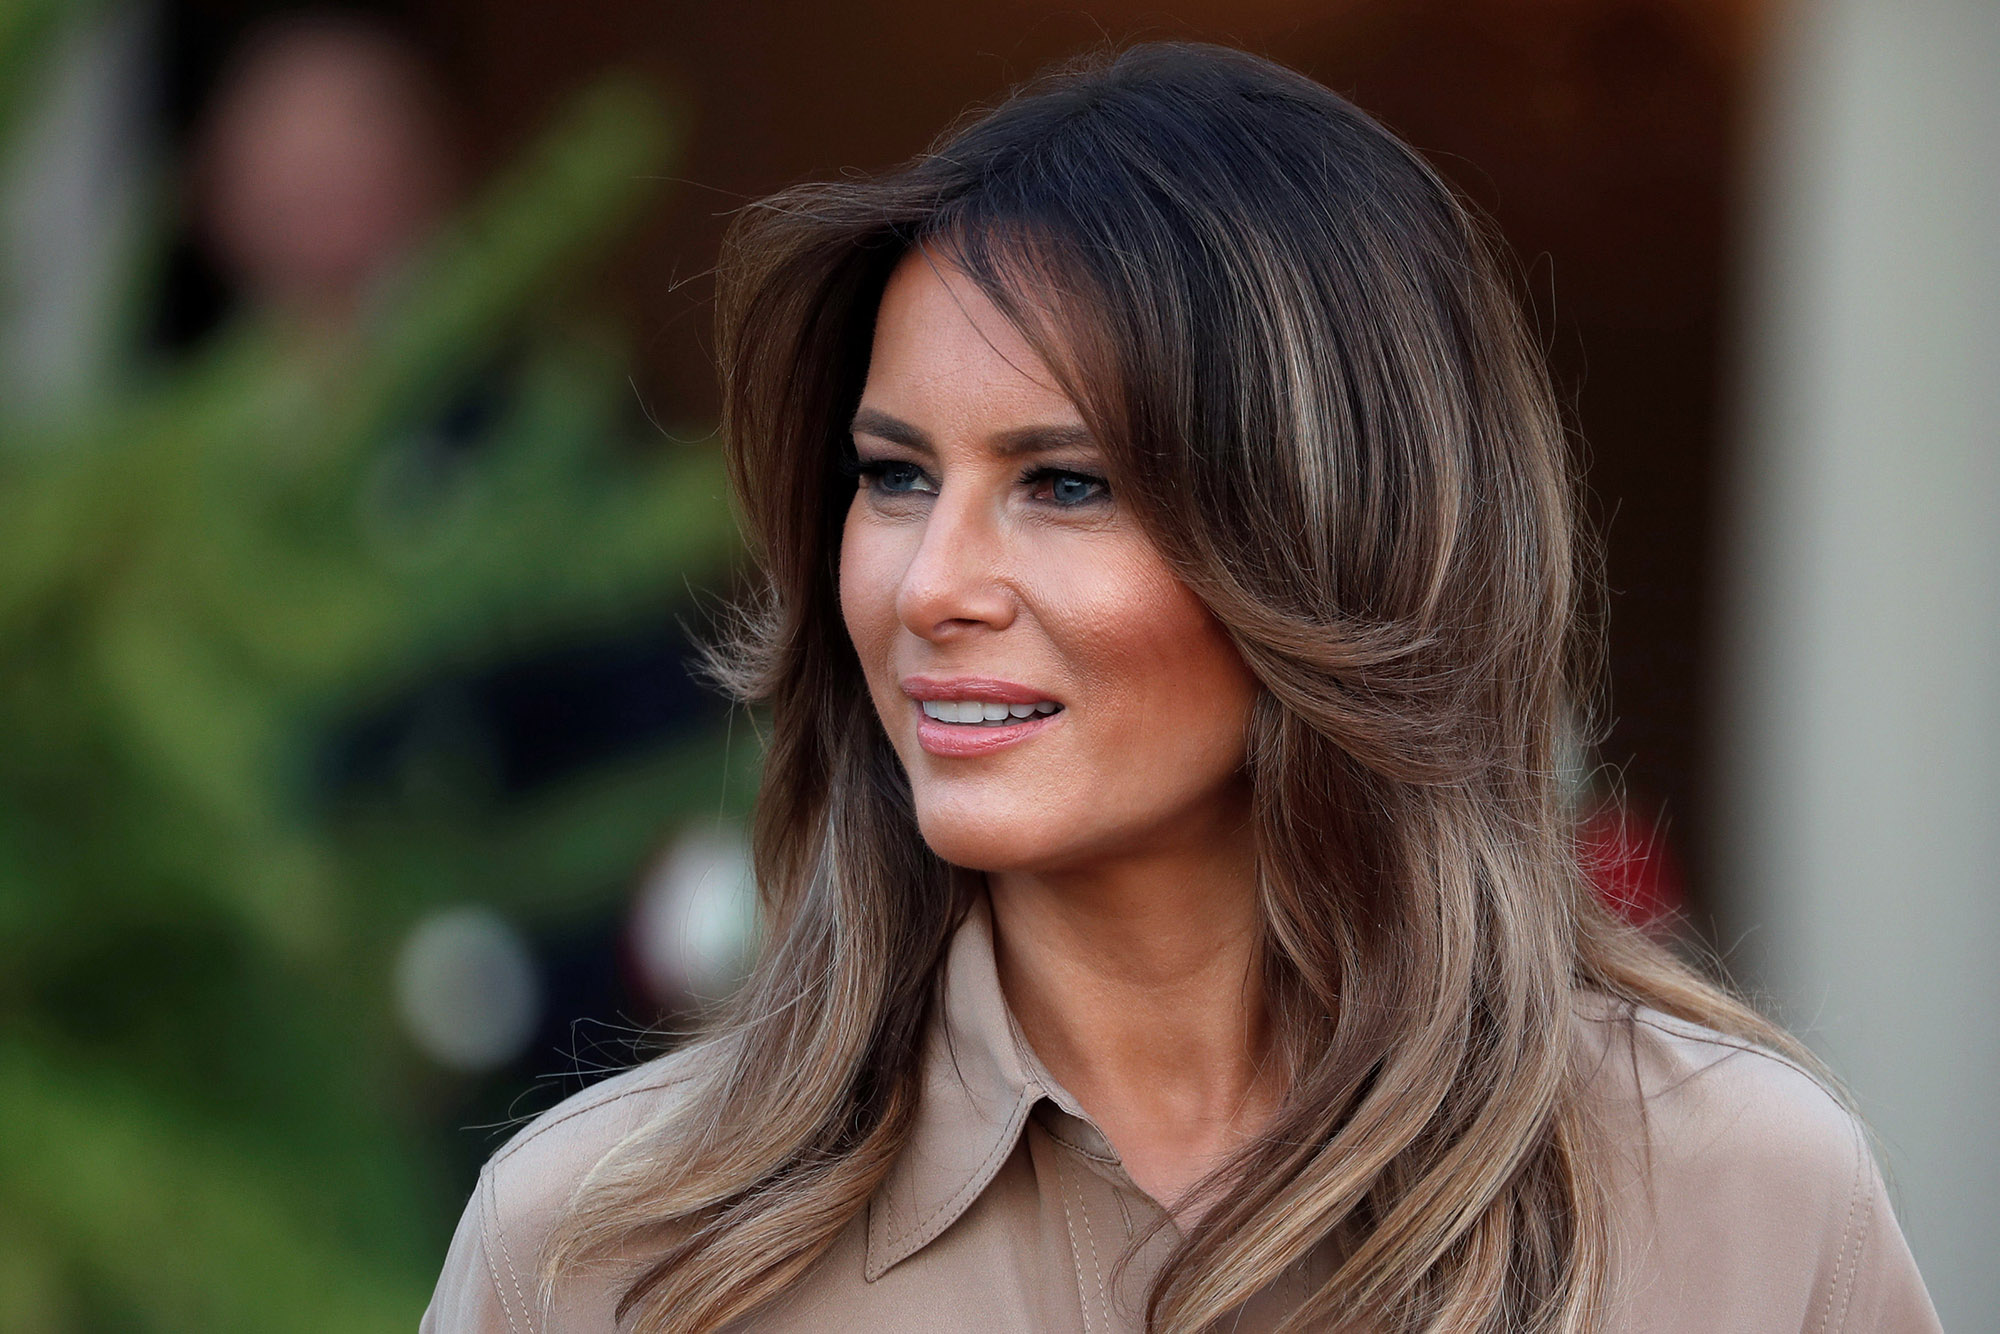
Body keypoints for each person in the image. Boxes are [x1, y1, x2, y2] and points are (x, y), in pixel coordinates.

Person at [422, 43, 1939, 1333]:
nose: (932, 580)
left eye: (1064, 482)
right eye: (893, 476)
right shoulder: (603, 1248)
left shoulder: (1741, 1199)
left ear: (1342, 542)